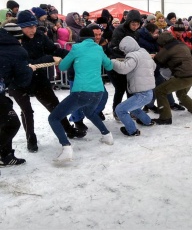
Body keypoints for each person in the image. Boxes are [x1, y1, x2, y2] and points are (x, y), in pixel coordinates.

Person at [8, 10, 82, 153]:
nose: (32, 29)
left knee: (54, 105)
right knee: (27, 111)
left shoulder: (39, 36)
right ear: (20, 27)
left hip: (38, 79)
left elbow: (54, 49)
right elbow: (25, 63)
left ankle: (69, 130)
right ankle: (31, 138)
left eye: (34, 26)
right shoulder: (14, 40)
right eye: (28, 27)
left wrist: (73, 56)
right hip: (17, 82)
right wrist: (48, 59)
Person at [48, 27, 114, 162]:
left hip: (81, 91)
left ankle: (66, 148)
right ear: (92, 38)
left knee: (53, 118)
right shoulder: (98, 49)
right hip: (98, 91)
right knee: (90, 113)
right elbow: (109, 66)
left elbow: (62, 67)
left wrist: (63, 60)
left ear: (80, 38)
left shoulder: (77, 48)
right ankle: (107, 135)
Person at [0, 23, 35, 166]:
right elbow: (22, 81)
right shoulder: (17, 51)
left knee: (4, 119)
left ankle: (5, 156)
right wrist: (29, 70)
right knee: (11, 123)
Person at [152, 32, 192, 125]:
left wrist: (154, 56)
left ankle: (165, 118)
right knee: (181, 93)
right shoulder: (182, 44)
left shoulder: (168, 48)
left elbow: (158, 60)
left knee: (160, 91)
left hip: (183, 76)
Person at [111, 36, 156, 136]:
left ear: (128, 47)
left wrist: (112, 61)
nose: (124, 52)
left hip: (142, 93)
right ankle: (147, 121)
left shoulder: (133, 56)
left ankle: (132, 131)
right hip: (149, 92)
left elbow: (124, 69)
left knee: (120, 109)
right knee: (134, 108)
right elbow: (153, 66)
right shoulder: (144, 53)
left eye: (124, 49)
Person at [108, 9, 142, 120]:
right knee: (120, 88)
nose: (135, 26)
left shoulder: (136, 32)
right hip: (117, 62)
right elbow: (114, 46)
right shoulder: (119, 30)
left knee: (130, 88)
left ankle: (131, 109)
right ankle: (116, 111)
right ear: (128, 22)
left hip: (129, 63)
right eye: (133, 24)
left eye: (137, 24)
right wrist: (127, 54)